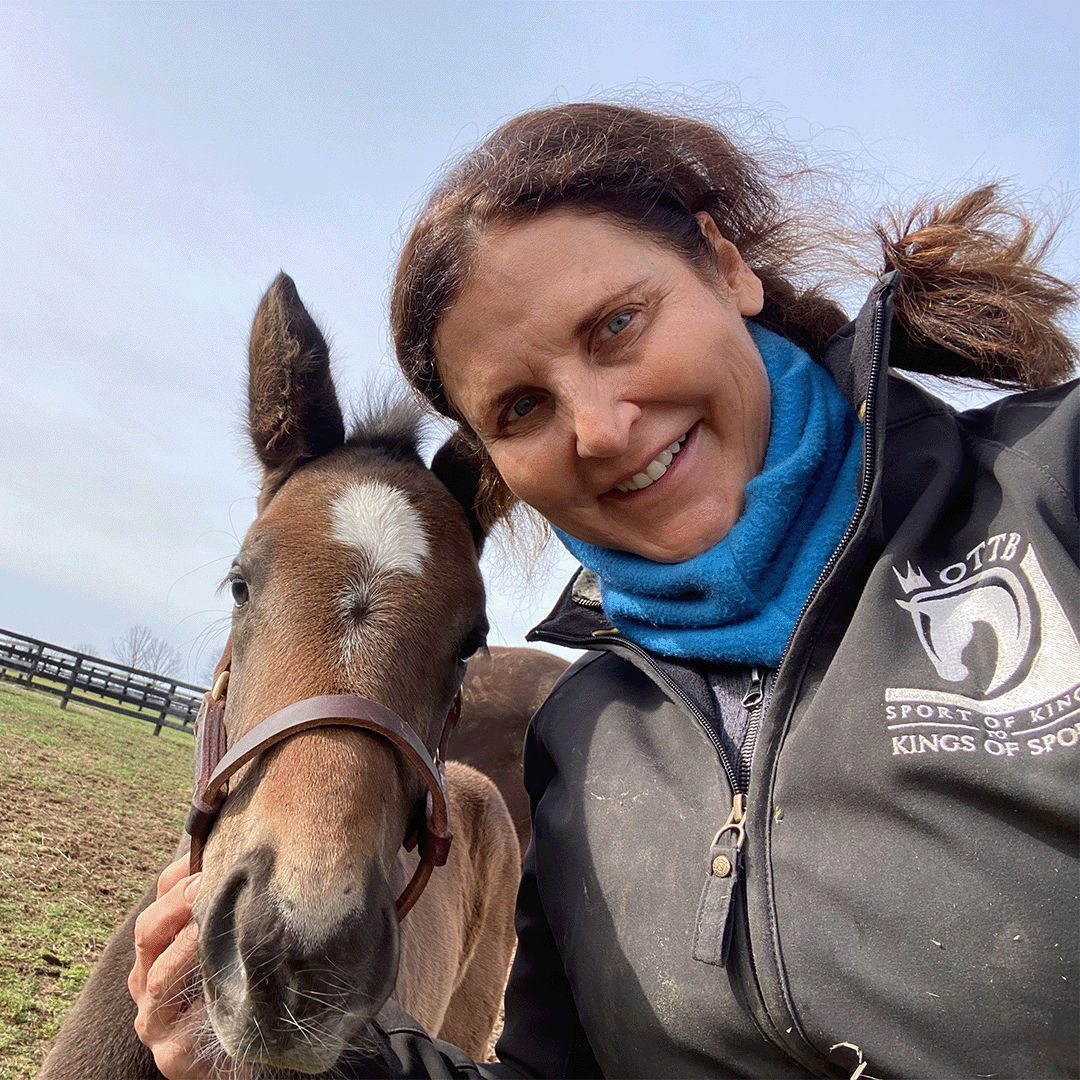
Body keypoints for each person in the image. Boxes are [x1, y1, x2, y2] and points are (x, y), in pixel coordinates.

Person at [130, 102, 1079, 1078]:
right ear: (502, 460)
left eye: (618, 324)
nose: (601, 426)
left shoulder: (1056, 495)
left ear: (726, 267)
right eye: (523, 405)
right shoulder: (585, 740)